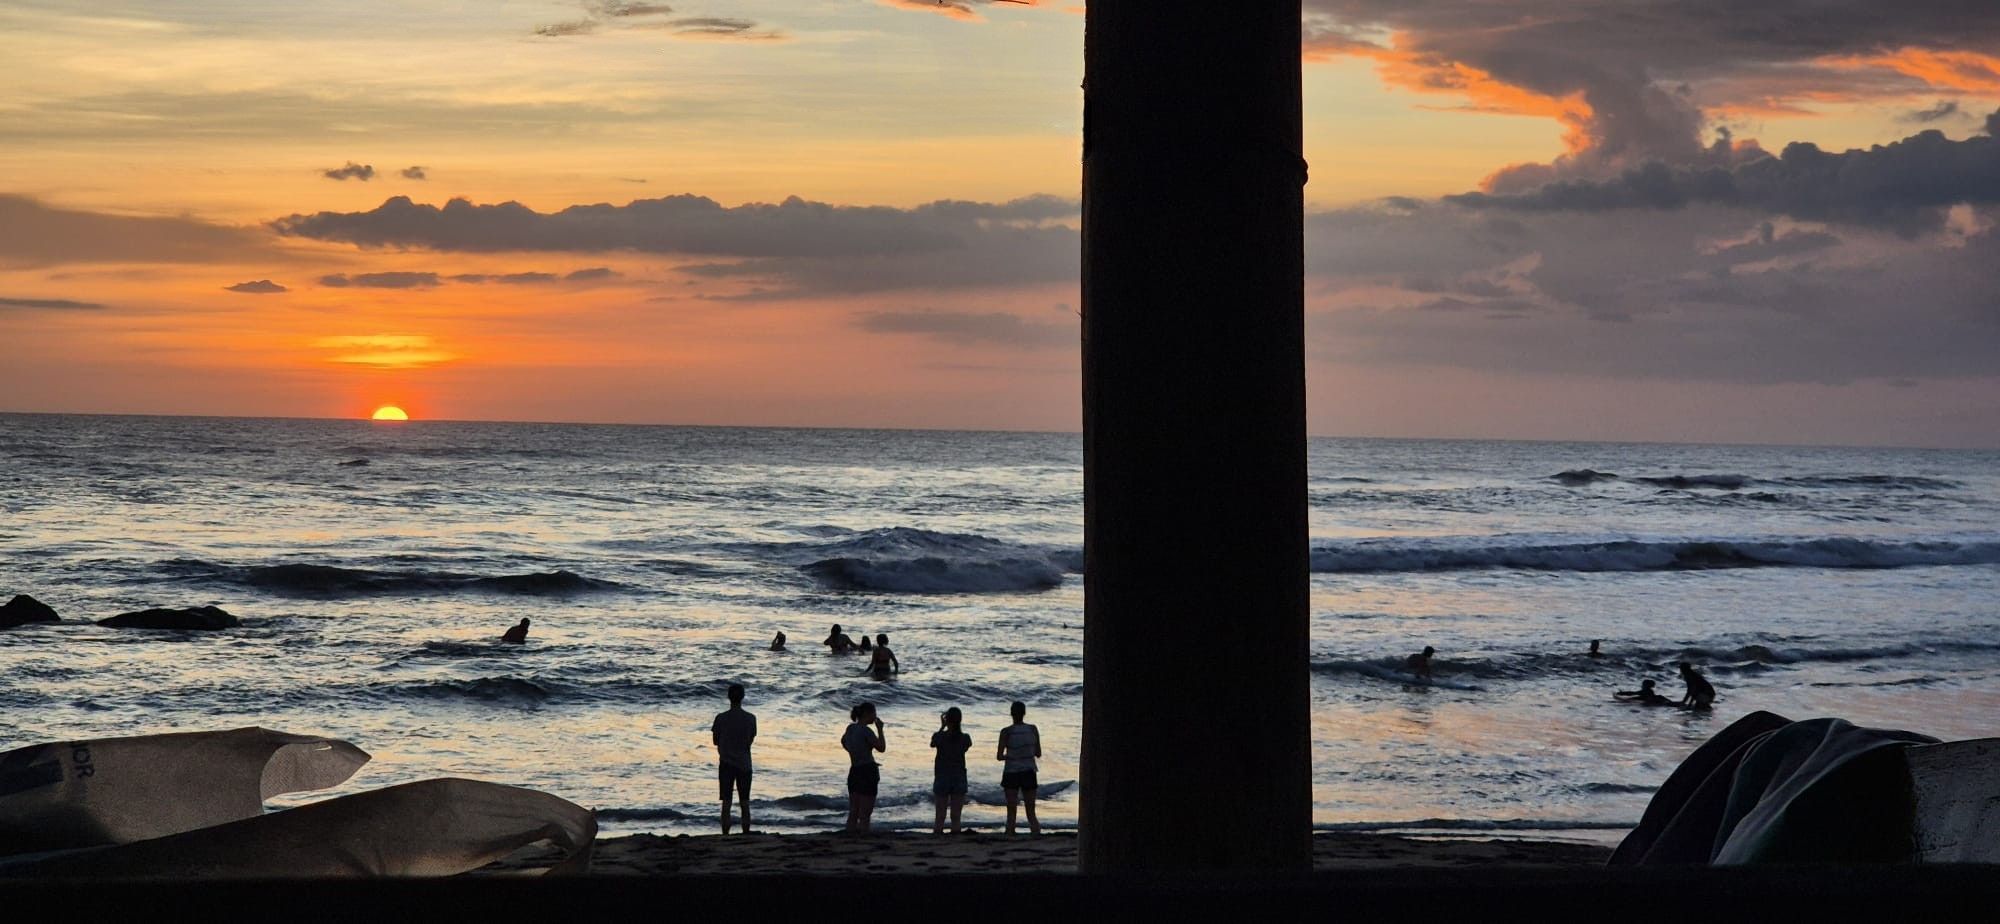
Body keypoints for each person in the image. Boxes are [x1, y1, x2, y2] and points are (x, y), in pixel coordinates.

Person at [712, 683, 757, 834]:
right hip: (744, 763)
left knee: (726, 802)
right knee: (745, 802)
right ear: (743, 697)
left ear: (728, 697)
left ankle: (725, 834)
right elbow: (750, 740)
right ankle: (746, 833)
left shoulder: (721, 718)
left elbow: (715, 741)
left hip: (726, 763)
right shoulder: (751, 718)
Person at [996, 700, 1041, 835]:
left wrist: (1012, 756)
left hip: (1011, 771)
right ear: (1024, 713)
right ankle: (1036, 834)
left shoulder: (1006, 732)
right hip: (1028, 771)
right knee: (1030, 810)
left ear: (1011, 714)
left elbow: (999, 756)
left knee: (1011, 810)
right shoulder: (1032, 729)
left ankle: (1010, 834)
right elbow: (1038, 753)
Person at [842, 702, 887, 832]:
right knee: (865, 813)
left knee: (853, 811)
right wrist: (880, 729)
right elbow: (881, 748)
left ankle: (849, 837)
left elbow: (844, 742)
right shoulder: (866, 731)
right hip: (868, 770)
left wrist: (854, 751)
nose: (875, 717)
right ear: (868, 714)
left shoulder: (850, 728)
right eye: (874, 714)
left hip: (854, 769)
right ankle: (863, 837)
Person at [931, 706, 972, 834]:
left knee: (940, 815)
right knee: (956, 816)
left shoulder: (940, 737)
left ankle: (938, 837)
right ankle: (955, 838)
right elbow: (965, 747)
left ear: (947, 720)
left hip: (942, 775)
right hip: (958, 775)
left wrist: (942, 726)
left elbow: (933, 743)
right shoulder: (965, 738)